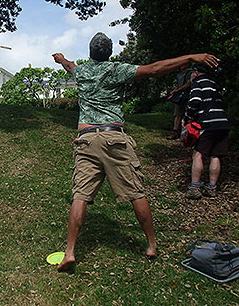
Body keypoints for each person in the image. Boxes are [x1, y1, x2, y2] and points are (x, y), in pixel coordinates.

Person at [52, 32, 219, 272]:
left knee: (80, 196)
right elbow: (154, 69)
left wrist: (60, 58)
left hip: (86, 140)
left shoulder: (82, 71)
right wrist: (191, 57)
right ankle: (151, 245)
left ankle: (69, 252)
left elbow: (69, 66)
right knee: (136, 192)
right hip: (114, 138)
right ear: (109, 53)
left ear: (90, 53)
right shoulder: (117, 70)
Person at [183, 63, 229, 200]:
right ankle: (211, 187)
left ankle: (195, 187)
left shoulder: (197, 84)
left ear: (196, 73)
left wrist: (187, 117)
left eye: (192, 72)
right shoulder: (214, 84)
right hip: (222, 123)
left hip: (207, 123)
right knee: (215, 155)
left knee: (198, 153)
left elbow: (195, 101)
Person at [166, 67, 192, 140]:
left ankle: (189, 134)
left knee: (189, 114)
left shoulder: (191, 73)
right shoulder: (179, 74)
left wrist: (178, 90)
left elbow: (188, 84)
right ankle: (175, 132)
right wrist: (174, 91)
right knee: (177, 114)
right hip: (179, 97)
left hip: (188, 96)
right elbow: (177, 85)